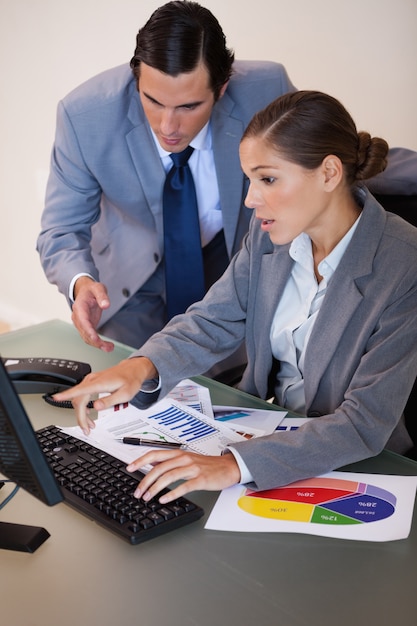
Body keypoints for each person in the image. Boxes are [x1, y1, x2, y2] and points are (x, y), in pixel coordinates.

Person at [55, 90, 417, 505]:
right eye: (249, 179)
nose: (250, 199)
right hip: (273, 434)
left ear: (329, 173)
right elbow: (212, 320)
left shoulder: (405, 265)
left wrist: (234, 464)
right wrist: (141, 367)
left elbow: (364, 423)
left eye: (268, 179)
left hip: (361, 467)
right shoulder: (270, 239)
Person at [37, 0, 295, 353]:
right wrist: (80, 283)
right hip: (131, 285)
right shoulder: (84, 116)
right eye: (153, 101)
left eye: (189, 107)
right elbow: (61, 230)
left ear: (221, 88)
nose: (168, 127)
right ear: (136, 78)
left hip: (234, 269)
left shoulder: (268, 90)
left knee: (228, 387)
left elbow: (305, 184)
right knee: (133, 386)